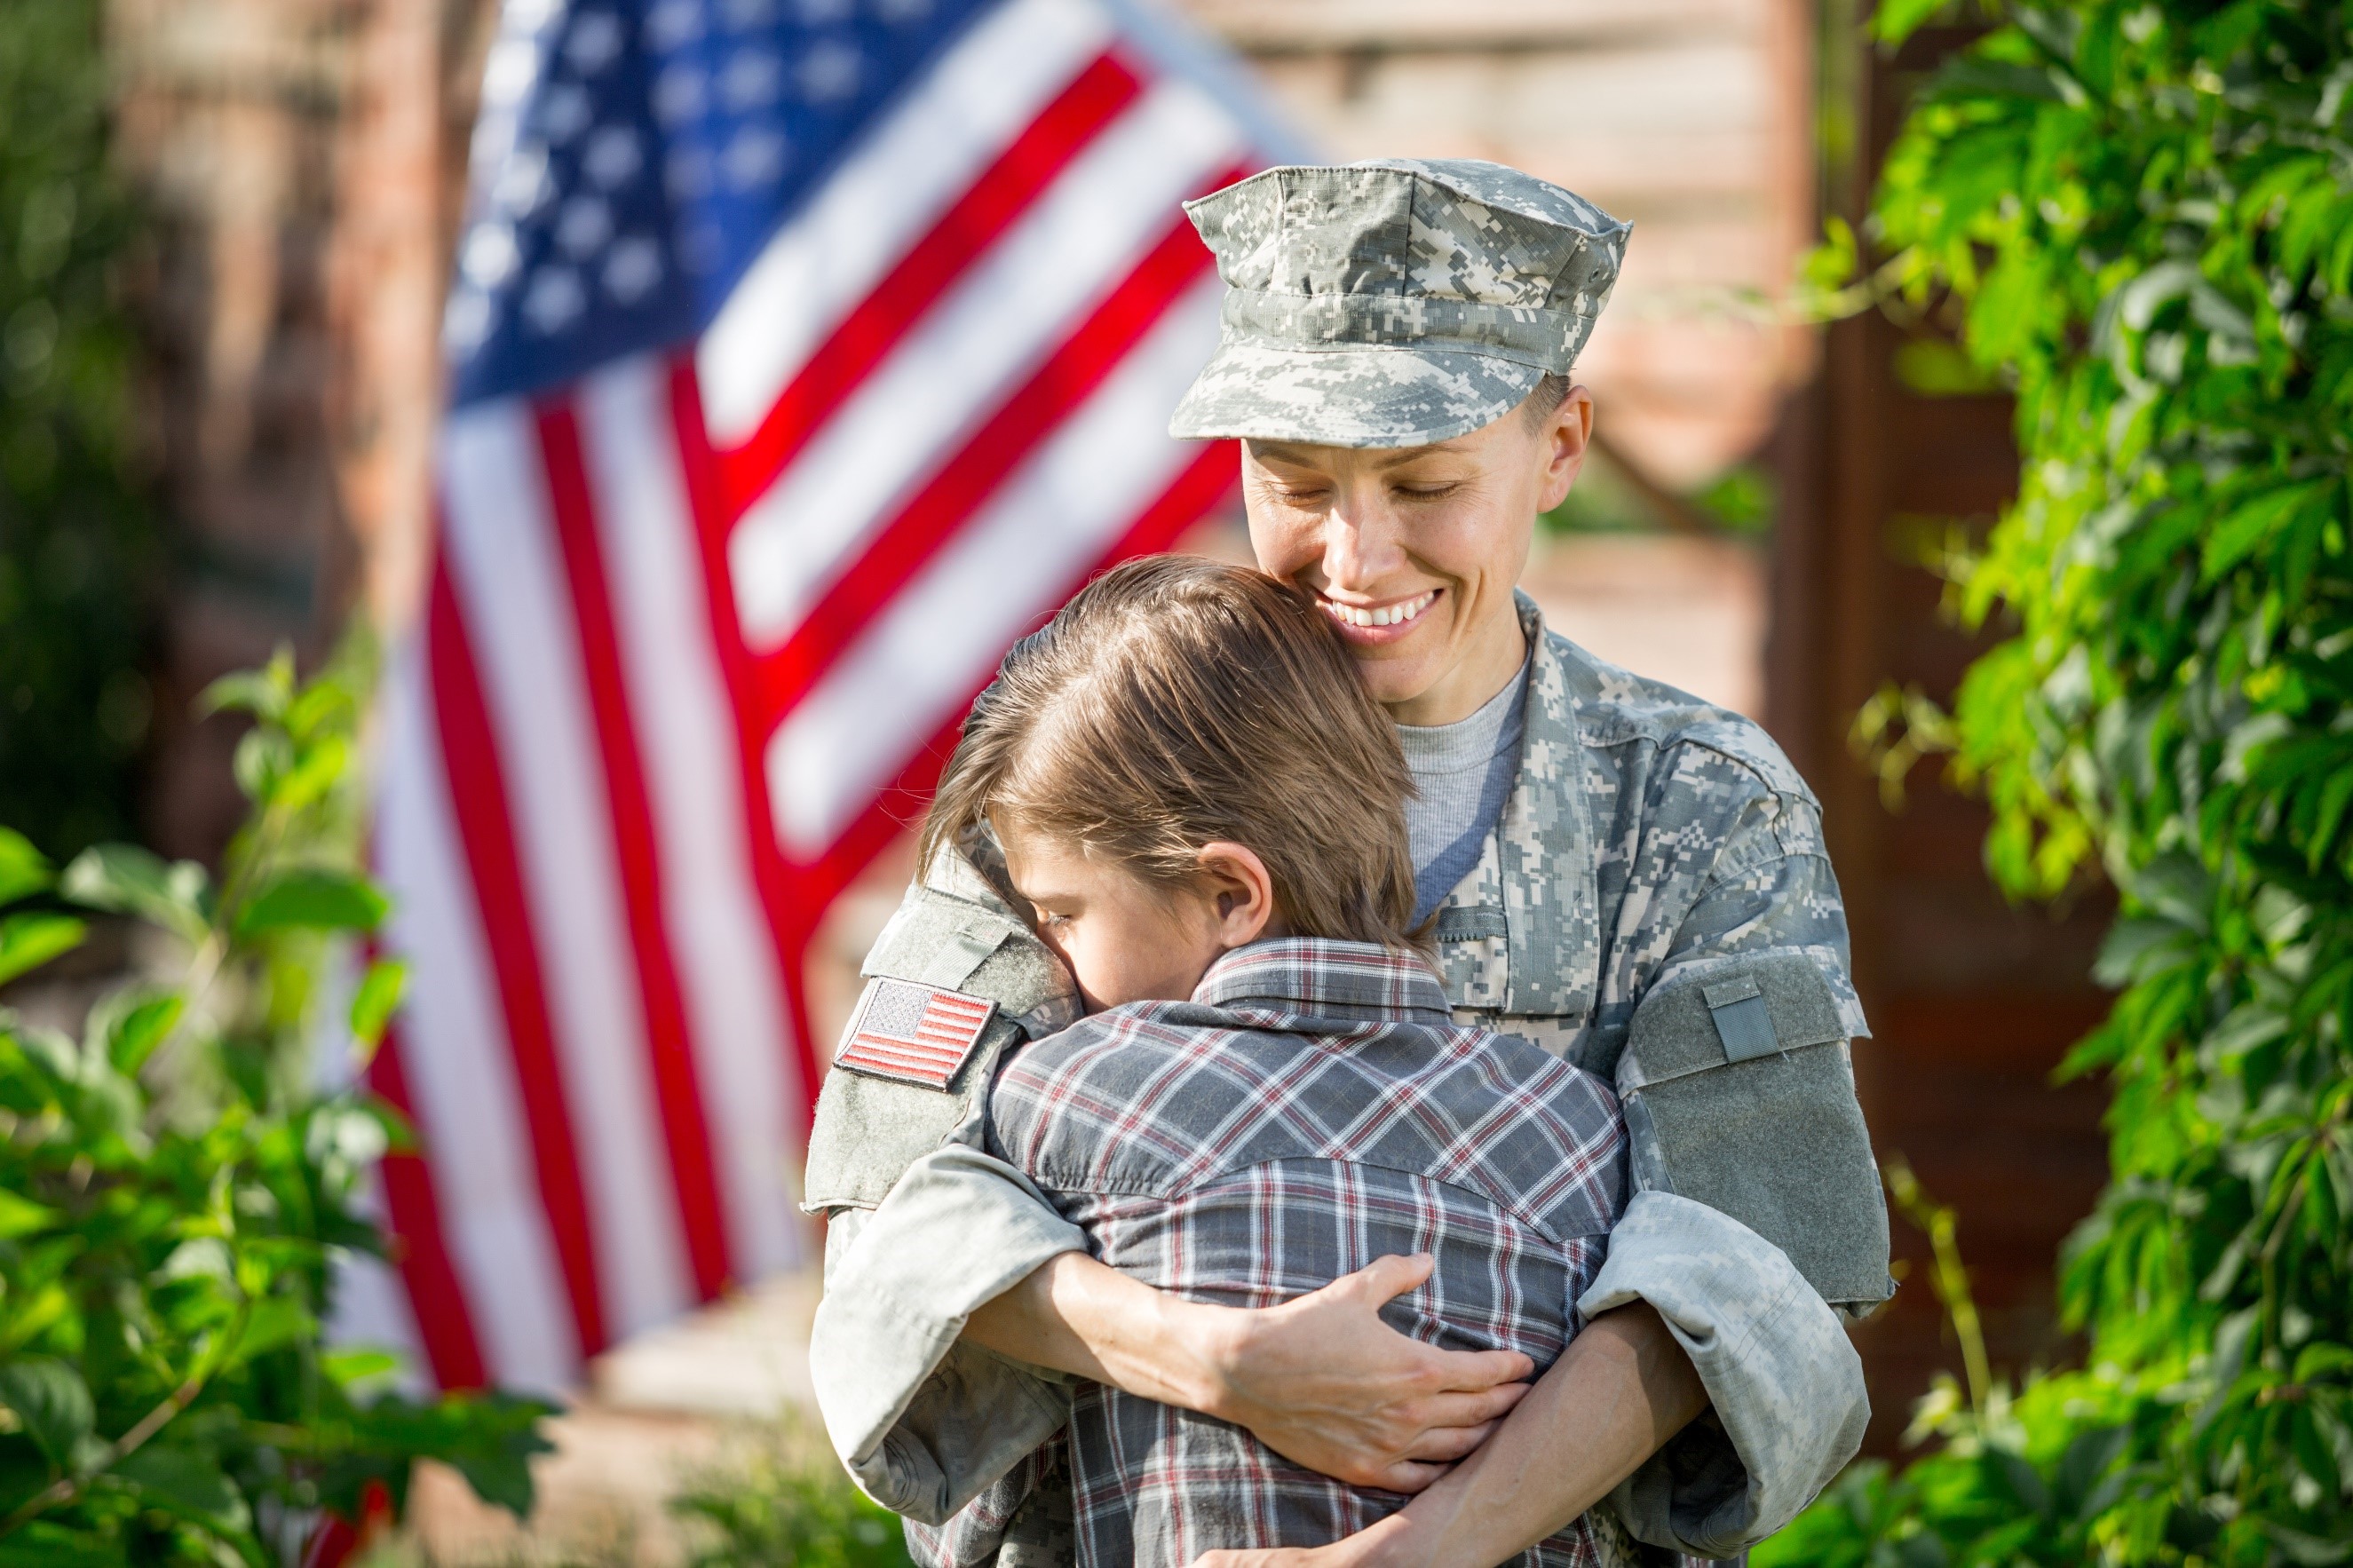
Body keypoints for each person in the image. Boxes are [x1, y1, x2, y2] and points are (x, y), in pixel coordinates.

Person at [805, 159, 1890, 1568]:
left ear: (1558, 447)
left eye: (1425, 482)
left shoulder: (1698, 809)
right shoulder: (1096, 746)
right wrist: (1205, 1355)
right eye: (1293, 478)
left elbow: (1750, 1264)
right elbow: (892, 1214)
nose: (1353, 553)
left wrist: (1419, 1550)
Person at [899, 555, 1630, 1566]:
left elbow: (965, 1515)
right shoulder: (1580, 1134)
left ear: (1230, 894)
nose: (1050, 957)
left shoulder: (1058, 1102)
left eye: (1064, 913)